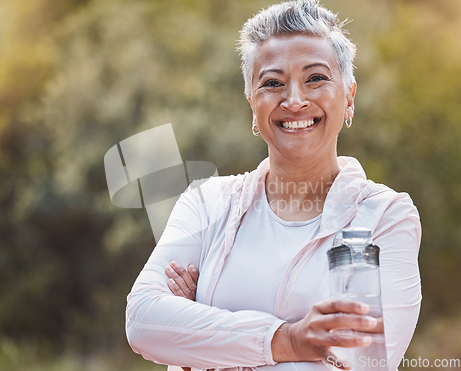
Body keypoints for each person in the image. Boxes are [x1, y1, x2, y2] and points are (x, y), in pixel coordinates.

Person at [125, 1, 421, 370]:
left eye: (316, 78)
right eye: (272, 83)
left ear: (349, 97)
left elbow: (363, 361)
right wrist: (291, 340)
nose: (295, 100)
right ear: (253, 104)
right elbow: (143, 322)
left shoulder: (386, 217)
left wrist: (200, 338)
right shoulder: (206, 203)